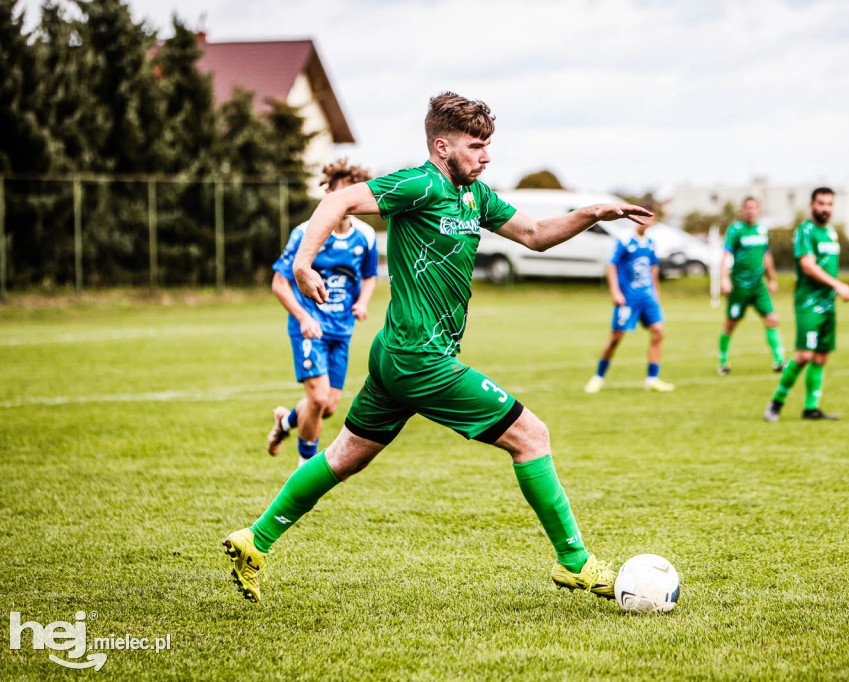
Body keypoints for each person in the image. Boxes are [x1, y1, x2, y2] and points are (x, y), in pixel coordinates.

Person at [223, 92, 652, 603]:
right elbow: (337, 201)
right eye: (476, 146)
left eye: (488, 145)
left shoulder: (476, 196)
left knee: (344, 457)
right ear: (442, 145)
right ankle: (576, 564)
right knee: (532, 437)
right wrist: (301, 265)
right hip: (420, 358)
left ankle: (255, 539)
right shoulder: (417, 184)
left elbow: (535, 234)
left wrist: (592, 212)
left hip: (396, 354)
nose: (486, 156)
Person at [266, 160, 378, 467]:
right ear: (327, 193)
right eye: (339, 194)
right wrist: (304, 317)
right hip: (309, 328)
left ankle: (284, 423)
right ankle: (304, 473)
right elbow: (279, 283)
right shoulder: (306, 232)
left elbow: (369, 276)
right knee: (316, 399)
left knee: (327, 406)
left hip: (342, 329)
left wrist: (363, 302)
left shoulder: (366, 236)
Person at [763, 188, 849, 422]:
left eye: (830, 204)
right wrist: (837, 285)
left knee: (821, 356)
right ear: (812, 205)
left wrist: (833, 290)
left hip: (828, 305)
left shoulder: (831, 233)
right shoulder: (805, 231)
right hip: (809, 303)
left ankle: (811, 408)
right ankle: (776, 402)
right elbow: (808, 266)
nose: (826, 208)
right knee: (803, 355)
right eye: (821, 203)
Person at [583, 215, 675, 393]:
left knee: (658, 332)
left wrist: (656, 291)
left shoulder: (650, 242)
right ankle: (598, 377)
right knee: (616, 337)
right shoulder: (624, 240)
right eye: (643, 217)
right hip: (628, 298)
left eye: (650, 218)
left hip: (647, 297)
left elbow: (653, 267)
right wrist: (615, 292)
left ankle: (652, 378)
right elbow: (612, 266)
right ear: (636, 219)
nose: (645, 222)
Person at [717, 196, 785, 375]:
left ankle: (779, 361)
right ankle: (723, 361)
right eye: (747, 207)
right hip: (739, 287)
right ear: (742, 210)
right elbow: (725, 255)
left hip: (758, 286)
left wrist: (772, 279)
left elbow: (767, 256)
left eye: (753, 208)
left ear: (758, 210)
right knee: (731, 324)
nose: (750, 211)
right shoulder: (735, 230)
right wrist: (724, 278)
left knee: (772, 319)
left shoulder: (762, 230)